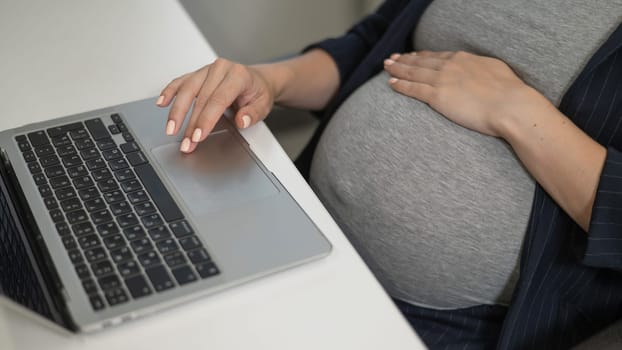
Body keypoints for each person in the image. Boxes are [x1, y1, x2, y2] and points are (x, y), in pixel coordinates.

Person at [157, 0, 622, 348]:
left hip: (440, 320)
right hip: (300, 219)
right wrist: (270, 82)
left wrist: (513, 110)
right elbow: (379, 43)